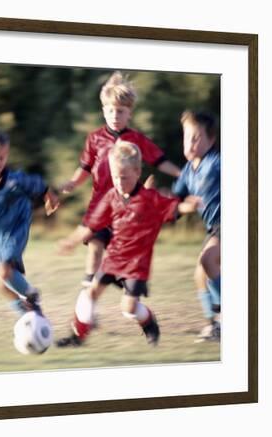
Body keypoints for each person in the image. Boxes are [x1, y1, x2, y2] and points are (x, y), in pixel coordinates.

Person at [55, 140, 199, 347]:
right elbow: (90, 225)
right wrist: (71, 241)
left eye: (124, 177)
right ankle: (78, 337)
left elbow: (173, 207)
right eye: (114, 177)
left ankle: (149, 323)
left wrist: (188, 207)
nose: (119, 182)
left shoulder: (150, 198)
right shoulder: (111, 197)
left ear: (137, 171)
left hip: (137, 264)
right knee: (91, 292)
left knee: (128, 308)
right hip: (114, 257)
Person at [59, 72, 181, 303]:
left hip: (128, 208)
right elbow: (84, 167)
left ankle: (131, 291)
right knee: (94, 247)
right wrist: (74, 182)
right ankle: (88, 302)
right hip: (100, 206)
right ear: (104, 111)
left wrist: (182, 173)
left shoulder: (137, 139)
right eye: (110, 110)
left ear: (129, 113)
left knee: (123, 261)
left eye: (121, 111)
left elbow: (159, 160)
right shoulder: (94, 139)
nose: (115, 115)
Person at [0, 126, 60, 316]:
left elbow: (39, 184)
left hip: (16, 229)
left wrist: (50, 197)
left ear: (6, 157)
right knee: (0, 284)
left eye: (1, 158)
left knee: (4, 271)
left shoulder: (15, 180)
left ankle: (32, 295)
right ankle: (29, 315)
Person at [172, 110, 221, 342]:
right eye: (186, 137)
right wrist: (152, 196)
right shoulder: (187, 172)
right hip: (214, 229)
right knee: (199, 275)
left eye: (196, 137)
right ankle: (214, 326)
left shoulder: (217, 162)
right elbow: (175, 206)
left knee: (208, 260)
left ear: (211, 140)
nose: (190, 143)